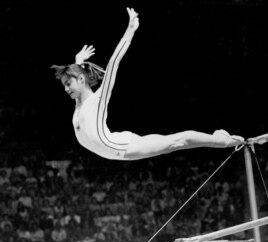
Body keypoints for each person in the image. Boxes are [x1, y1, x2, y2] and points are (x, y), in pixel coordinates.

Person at [51, 7, 244, 161]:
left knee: (177, 142)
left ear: (81, 80)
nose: (66, 89)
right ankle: (219, 137)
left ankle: (222, 140)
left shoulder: (97, 100)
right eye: (64, 85)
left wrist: (130, 30)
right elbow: (78, 80)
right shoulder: (79, 102)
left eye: (68, 83)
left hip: (122, 148)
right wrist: (77, 62)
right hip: (118, 139)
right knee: (169, 143)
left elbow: (114, 62)